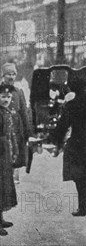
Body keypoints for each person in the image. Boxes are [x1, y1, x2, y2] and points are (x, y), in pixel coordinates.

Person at [49, 77, 86, 216]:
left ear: (73, 90)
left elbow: (63, 126)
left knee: (78, 175)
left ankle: (83, 206)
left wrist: (56, 140)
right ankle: (84, 204)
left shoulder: (71, 105)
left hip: (77, 143)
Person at [1, 62, 33, 184]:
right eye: (8, 74)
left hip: (17, 126)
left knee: (17, 150)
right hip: (3, 125)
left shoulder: (19, 92)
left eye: (14, 74)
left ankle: (15, 176)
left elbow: (24, 112)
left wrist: (27, 130)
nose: (11, 77)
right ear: (3, 75)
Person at [0, 84, 18, 235]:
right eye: (3, 96)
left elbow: (11, 134)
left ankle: (0, 219)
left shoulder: (7, 112)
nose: (6, 99)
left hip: (5, 152)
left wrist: (14, 150)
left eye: (8, 96)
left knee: (4, 185)